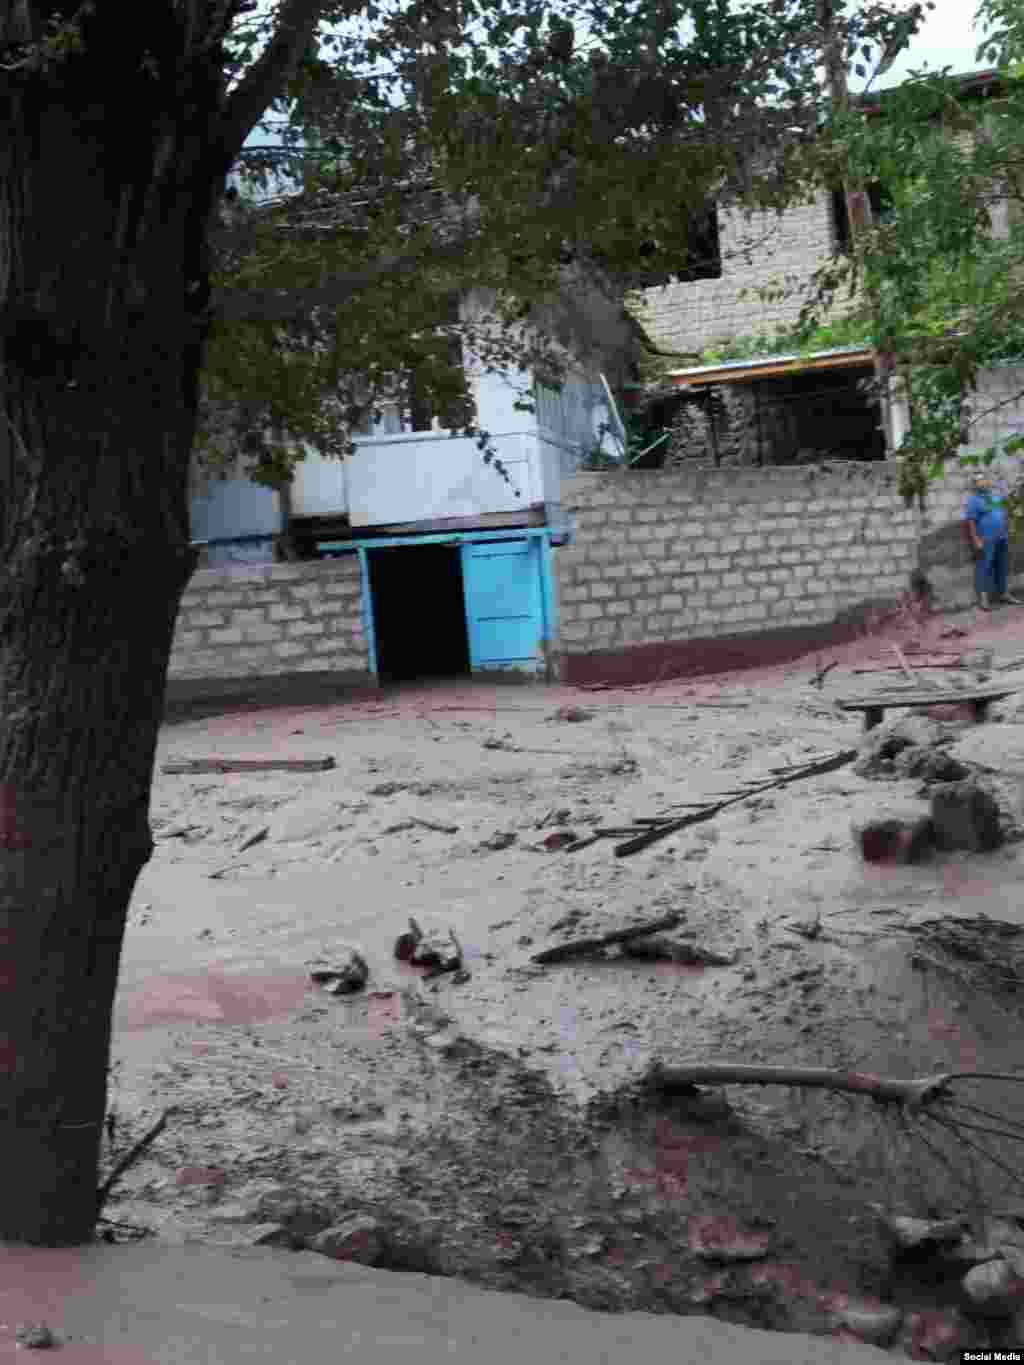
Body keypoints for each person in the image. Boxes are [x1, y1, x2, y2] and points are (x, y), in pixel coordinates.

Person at [964, 471, 1020, 610]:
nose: (981, 482)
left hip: (1001, 537)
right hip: (986, 539)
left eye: (983, 479)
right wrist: (976, 540)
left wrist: (1008, 528)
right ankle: (983, 599)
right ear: (974, 485)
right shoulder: (973, 500)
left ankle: (1003, 594)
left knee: (1002, 566)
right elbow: (971, 522)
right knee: (984, 567)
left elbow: (1002, 514)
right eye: (978, 481)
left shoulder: (994, 497)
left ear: (987, 481)